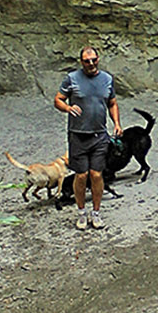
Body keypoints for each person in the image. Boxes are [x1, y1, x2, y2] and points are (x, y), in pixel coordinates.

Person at [55, 45, 121, 231]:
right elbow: (58, 99)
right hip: (78, 135)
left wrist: (116, 123)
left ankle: (97, 212)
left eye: (94, 60)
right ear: (81, 62)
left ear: (98, 59)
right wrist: (67, 108)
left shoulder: (107, 79)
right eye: (87, 61)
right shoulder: (72, 79)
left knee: (96, 174)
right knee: (81, 175)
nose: (91, 64)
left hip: (99, 135)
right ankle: (81, 212)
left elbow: (112, 102)